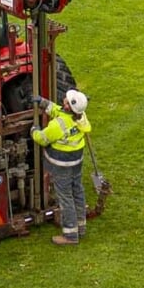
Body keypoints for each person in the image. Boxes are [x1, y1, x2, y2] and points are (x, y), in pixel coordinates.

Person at [32, 89, 92, 245]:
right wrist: (43, 102)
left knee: (65, 198)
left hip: (61, 166)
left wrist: (34, 131)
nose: (64, 99)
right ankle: (81, 227)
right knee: (77, 192)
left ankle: (70, 235)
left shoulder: (58, 125)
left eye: (66, 100)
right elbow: (58, 110)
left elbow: (42, 139)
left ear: (68, 106)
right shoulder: (80, 116)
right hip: (76, 163)